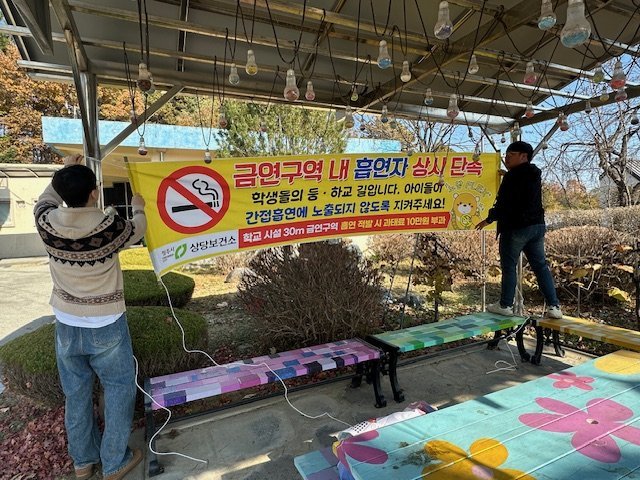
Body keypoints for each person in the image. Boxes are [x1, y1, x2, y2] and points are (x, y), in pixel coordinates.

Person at [34, 154, 147, 480]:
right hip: (106, 322)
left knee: (76, 393)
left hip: (66, 323)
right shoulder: (109, 226)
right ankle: (114, 462)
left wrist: (64, 171)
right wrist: (138, 207)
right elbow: (139, 229)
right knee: (119, 389)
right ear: (95, 193)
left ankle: (82, 462)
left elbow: (44, 200)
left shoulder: (46, 223)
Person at [475, 141, 562, 319]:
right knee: (540, 266)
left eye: (511, 155)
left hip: (515, 227)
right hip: (537, 226)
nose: (506, 158)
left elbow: (505, 203)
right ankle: (554, 306)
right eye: (506, 155)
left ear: (524, 156)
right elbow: (521, 193)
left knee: (509, 266)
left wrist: (488, 219)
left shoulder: (512, 177)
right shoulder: (534, 174)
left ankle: (505, 305)